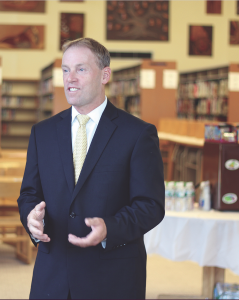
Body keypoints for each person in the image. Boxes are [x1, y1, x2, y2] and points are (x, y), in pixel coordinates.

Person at [18, 37, 165, 299]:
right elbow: (29, 194)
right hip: (52, 275)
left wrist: (110, 227)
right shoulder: (42, 133)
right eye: (65, 70)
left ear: (104, 75)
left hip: (112, 276)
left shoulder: (138, 134)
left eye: (80, 69)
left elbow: (150, 205)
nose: (70, 78)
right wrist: (31, 217)